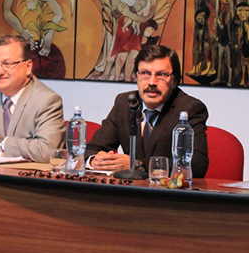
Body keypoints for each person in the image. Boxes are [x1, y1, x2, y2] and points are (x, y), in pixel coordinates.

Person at [86, 44, 209, 176]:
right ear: (136, 77)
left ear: (174, 80)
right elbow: (92, 149)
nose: (151, 82)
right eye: (144, 73)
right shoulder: (125, 103)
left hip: (167, 193)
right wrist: (96, 161)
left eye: (161, 75)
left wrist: (138, 165)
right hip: (129, 192)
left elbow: (197, 164)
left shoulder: (190, 109)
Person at [0, 35, 64, 163]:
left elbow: (47, 151)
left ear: (28, 67)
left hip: (24, 180)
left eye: (7, 64)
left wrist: (1, 143)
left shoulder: (47, 100)